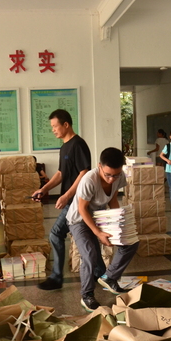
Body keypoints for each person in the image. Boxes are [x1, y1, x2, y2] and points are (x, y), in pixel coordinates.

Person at [67, 147, 139, 312]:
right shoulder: (89, 180)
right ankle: (87, 295)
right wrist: (98, 233)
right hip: (79, 220)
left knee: (131, 243)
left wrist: (118, 223)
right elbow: (82, 209)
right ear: (99, 166)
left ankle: (109, 277)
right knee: (90, 254)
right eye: (107, 175)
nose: (112, 179)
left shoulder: (119, 177)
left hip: (101, 217)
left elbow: (112, 199)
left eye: (115, 175)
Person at [33, 109, 96, 291]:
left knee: (56, 234)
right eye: (52, 126)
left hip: (79, 200)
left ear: (66, 125)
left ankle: (56, 277)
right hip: (72, 200)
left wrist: (67, 195)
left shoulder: (78, 144)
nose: (53, 130)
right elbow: (61, 173)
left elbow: (84, 173)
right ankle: (100, 273)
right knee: (88, 238)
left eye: (55, 126)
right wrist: (44, 189)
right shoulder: (64, 147)